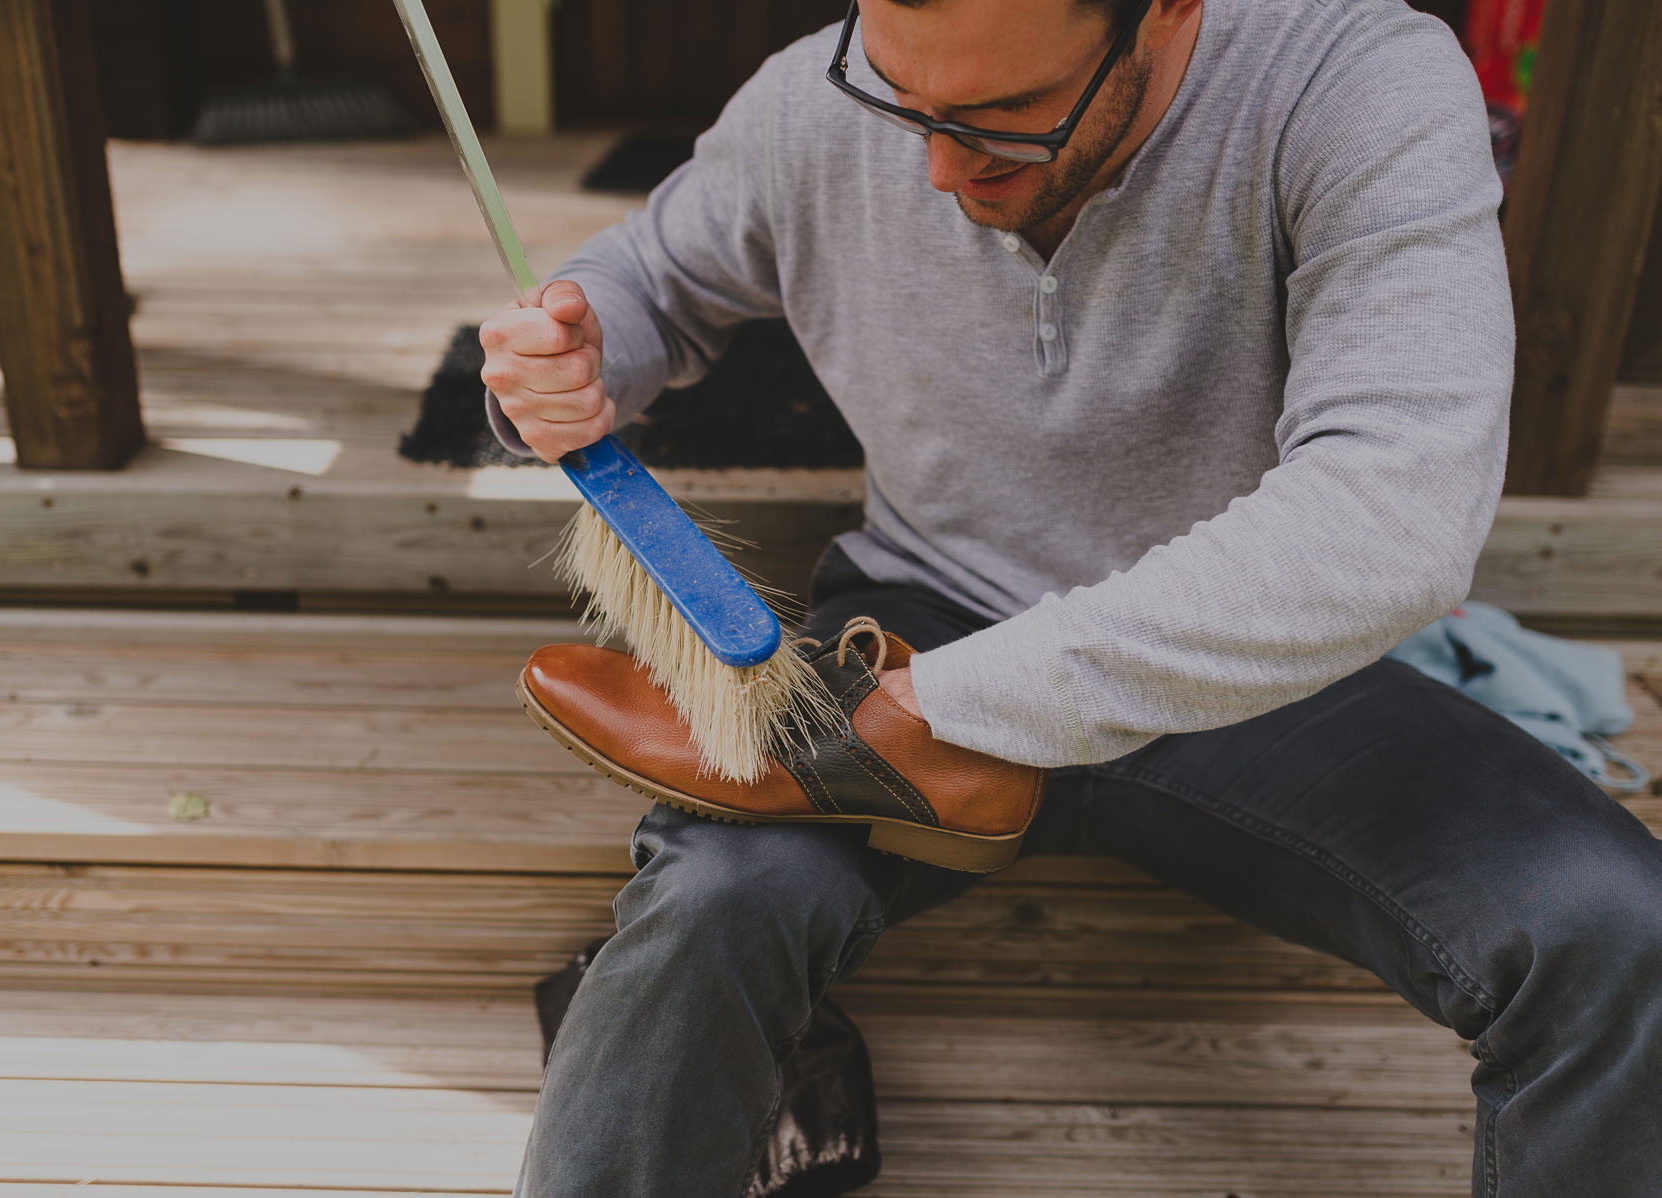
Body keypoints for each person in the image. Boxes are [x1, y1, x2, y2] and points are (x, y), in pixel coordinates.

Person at [478, 0, 1662, 1193]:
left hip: (1246, 662)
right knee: (710, 902)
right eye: (904, 100)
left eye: (1003, 116)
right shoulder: (808, 102)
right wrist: (578, 349)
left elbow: (1398, 507)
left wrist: (950, 710)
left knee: (1618, 932)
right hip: (924, 616)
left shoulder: (1357, 80)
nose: (937, 167)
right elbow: (648, 278)